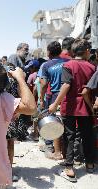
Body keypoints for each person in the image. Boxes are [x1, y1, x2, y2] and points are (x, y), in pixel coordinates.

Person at [49, 39, 96, 182]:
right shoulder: (92, 67)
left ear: (72, 52)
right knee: (87, 135)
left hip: (70, 106)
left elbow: (66, 86)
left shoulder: (68, 65)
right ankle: (89, 164)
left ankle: (69, 168)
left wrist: (55, 104)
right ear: (87, 51)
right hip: (87, 106)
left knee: (69, 137)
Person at [40, 41, 69, 160]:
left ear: (49, 52)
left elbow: (44, 84)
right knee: (67, 121)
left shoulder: (46, 65)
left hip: (54, 97)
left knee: (53, 121)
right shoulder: (68, 62)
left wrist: (41, 98)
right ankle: (65, 149)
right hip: (68, 95)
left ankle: (52, 149)